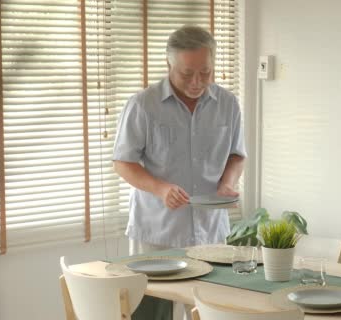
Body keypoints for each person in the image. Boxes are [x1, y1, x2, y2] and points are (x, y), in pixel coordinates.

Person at [112, 25, 246, 319]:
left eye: (206, 72)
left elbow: (237, 155)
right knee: (152, 313)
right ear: (169, 64)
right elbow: (123, 162)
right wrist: (161, 188)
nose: (198, 82)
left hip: (211, 231)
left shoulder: (228, 104)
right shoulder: (143, 105)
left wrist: (227, 183)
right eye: (187, 74)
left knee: (211, 311)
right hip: (157, 232)